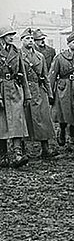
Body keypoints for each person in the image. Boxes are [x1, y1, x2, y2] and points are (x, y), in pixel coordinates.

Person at [20, 28, 58, 159]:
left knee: (43, 119)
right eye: (27, 39)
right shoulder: (18, 55)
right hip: (24, 90)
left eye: (31, 39)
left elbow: (45, 75)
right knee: (24, 119)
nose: (30, 41)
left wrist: (50, 92)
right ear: (22, 41)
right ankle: (22, 150)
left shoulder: (40, 56)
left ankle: (45, 149)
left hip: (39, 89)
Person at [0, 26, 31, 167]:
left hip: (14, 89)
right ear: (2, 37)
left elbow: (22, 73)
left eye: (13, 34)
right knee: (2, 123)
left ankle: (18, 154)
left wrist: (27, 94)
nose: (12, 37)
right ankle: (3, 155)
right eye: (9, 35)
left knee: (17, 120)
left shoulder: (15, 51)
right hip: (1, 89)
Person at [49, 32, 74, 147]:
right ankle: (62, 131)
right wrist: (50, 93)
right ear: (68, 44)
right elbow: (52, 76)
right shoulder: (60, 57)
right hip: (63, 88)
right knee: (63, 111)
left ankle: (73, 137)